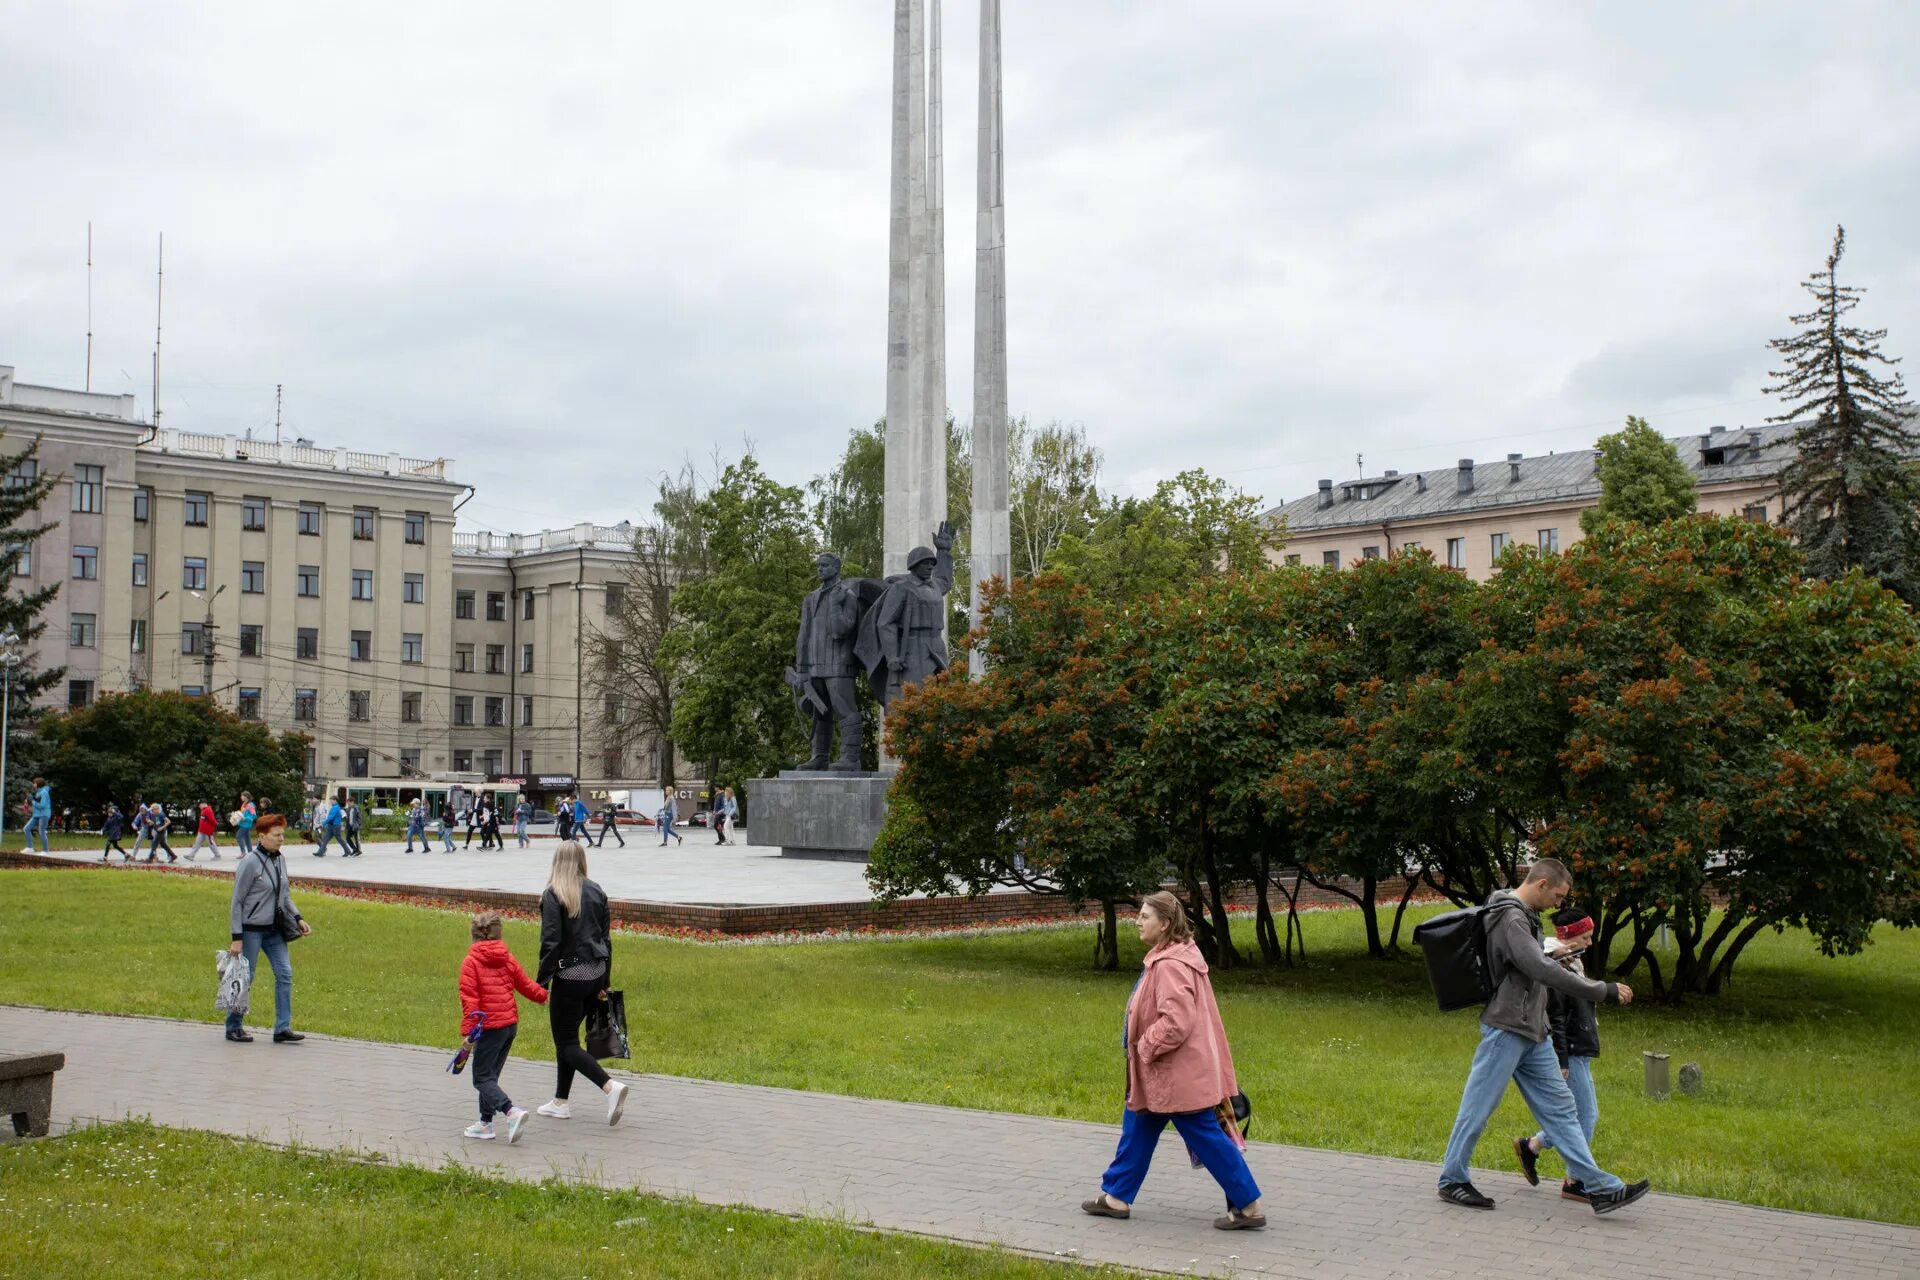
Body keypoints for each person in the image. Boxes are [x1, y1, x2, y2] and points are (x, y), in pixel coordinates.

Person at [1437, 859, 1649, 1215]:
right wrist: (1602, 991)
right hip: (1506, 1029)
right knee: (1478, 1107)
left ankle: (1598, 1188)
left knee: (1563, 1110)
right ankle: (1451, 1179)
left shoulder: (1524, 916)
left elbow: (1537, 972)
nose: (1559, 904)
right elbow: (1540, 968)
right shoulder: (1511, 918)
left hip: (1535, 1032)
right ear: (1542, 884)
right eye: (1559, 895)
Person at [1081, 891, 1266, 1231]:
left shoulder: (1170, 965)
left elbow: (1176, 1021)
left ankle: (1249, 1205)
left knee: (1206, 1136)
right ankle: (1116, 1196)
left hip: (1175, 1074)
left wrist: (1145, 1047)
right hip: (1164, 1073)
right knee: (1137, 1125)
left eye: (1146, 917)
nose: (1138, 921)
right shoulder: (1173, 956)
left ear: (1164, 924)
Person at [1514, 908, 1606, 1203]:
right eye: (1585, 937)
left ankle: (1532, 1146)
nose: (1590, 943)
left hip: (1581, 1050)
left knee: (1577, 1115)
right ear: (1567, 937)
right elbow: (1556, 1018)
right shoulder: (1556, 967)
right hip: (1573, 1052)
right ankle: (1575, 1180)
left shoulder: (1572, 963)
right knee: (1585, 1116)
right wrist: (1562, 1060)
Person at [534, 841, 629, 1126]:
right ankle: (560, 1102)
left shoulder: (554, 893)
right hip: (596, 972)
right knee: (569, 1040)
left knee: (565, 1043)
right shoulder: (596, 889)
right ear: (581, 860)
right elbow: (606, 939)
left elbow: (551, 941)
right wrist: (606, 980)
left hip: (570, 975)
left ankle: (610, 1087)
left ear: (557, 861)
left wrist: (542, 982)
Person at [458, 909, 547, 1142]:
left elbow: (470, 1000)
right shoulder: (507, 957)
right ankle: (485, 1123)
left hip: (489, 1028)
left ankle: (510, 1111)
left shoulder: (471, 962)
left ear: (474, 935)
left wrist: (469, 1033)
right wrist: (543, 996)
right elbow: (525, 984)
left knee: (481, 1078)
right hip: (509, 1026)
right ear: (498, 935)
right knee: (490, 1076)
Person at [225, 813, 310, 1043]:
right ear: (262, 837)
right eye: (276, 835)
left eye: (282, 834)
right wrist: (237, 937)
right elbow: (237, 902)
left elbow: (285, 894)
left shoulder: (280, 860)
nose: (282, 838)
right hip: (251, 930)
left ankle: (282, 1028)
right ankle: (233, 1026)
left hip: (275, 930)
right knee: (245, 976)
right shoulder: (250, 862)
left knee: (285, 974)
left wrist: (298, 917)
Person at [23, 777, 52, 853]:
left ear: (38, 784)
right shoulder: (38, 792)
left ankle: (45, 851)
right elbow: (36, 801)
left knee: (41, 831)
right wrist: (31, 798)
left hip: (44, 814)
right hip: (36, 815)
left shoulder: (44, 793)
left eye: (35, 783)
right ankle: (30, 848)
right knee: (26, 828)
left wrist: (33, 802)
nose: (33, 784)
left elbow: (43, 805)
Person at [313, 791, 345, 857]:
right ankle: (322, 850)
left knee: (317, 837)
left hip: (323, 826)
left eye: (314, 799)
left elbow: (325, 817)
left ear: (318, 799)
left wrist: (321, 824)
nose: (313, 800)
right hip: (322, 825)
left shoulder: (323, 807)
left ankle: (322, 850)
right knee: (322, 838)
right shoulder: (317, 806)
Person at [234, 791, 258, 856]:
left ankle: (243, 852)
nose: (241, 797)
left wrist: (245, 818)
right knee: (247, 839)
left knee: (238, 837)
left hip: (246, 824)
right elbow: (243, 814)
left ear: (246, 797)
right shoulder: (244, 804)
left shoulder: (251, 805)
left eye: (242, 796)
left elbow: (253, 815)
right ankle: (250, 853)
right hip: (242, 824)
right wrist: (237, 815)